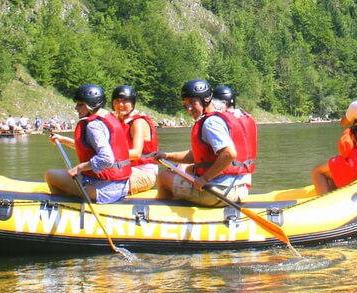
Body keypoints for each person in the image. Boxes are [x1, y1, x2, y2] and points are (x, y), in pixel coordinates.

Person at [156, 79, 254, 207]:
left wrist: (205, 179)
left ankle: (162, 216)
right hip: (241, 189)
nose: (189, 108)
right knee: (184, 169)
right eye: (186, 104)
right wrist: (166, 156)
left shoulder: (211, 122)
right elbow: (195, 156)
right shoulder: (222, 118)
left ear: (206, 99)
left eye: (192, 102)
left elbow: (229, 154)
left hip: (219, 193)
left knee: (163, 177)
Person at [45, 84, 132, 203]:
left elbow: (107, 159)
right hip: (122, 186)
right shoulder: (108, 117)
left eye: (80, 104)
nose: (76, 108)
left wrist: (79, 168)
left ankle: (64, 208)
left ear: (92, 104)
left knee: (51, 175)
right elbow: (90, 149)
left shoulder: (93, 125)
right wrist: (63, 140)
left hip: (105, 190)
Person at [111, 85, 159, 195]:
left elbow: (136, 153)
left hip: (144, 173)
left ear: (132, 103)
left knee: (103, 178)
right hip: (125, 168)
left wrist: (106, 156)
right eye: (117, 101)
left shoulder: (138, 123)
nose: (120, 105)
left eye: (125, 101)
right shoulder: (116, 122)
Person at [213, 85, 258, 174]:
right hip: (246, 174)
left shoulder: (220, 120)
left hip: (228, 175)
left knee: (184, 168)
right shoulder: (248, 118)